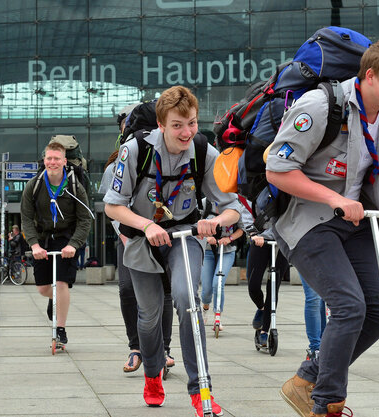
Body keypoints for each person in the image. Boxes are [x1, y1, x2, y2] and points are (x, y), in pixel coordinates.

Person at [270, 38, 379, 416]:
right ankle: (327, 404)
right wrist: (333, 198)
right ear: (370, 75)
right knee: (348, 306)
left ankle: (307, 378)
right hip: (307, 221)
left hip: (356, 220)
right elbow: (278, 169)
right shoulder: (321, 106)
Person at [104, 85, 241, 416]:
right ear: (161, 125)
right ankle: (152, 376)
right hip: (141, 241)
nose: (186, 132)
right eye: (178, 125)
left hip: (183, 236)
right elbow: (112, 207)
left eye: (191, 123)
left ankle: (200, 389)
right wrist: (147, 225)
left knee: (188, 301)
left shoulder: (203, 151)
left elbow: (233, 208)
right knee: (149, 317)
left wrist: (216, 221)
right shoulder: (136, 151)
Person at [100, 146, 175, 374]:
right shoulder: (116, 166)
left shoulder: (167, 164)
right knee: (126, 290)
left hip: (162, 237)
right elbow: (111, 207)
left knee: (165, 292)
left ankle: (164, 349)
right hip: (130, 238)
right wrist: (125, 236)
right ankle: (136, 348)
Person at [21, 141, 92, 347]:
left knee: (60, 282)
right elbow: (26, 218)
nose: (52, 162)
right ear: (44, 160)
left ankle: (60, 330)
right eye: (49, 158)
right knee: (44, 288)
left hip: (66, 239)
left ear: (64, 161)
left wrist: (74, 244)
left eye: (56, 159)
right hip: (43, 238)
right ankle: (54, 299)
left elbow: (85, 218)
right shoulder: (34, 185)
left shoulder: (74, 186)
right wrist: (34, 245)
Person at [199, 200, 242, 331]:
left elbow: (242, 229)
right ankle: (205, 307)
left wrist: (229, 239)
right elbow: (195, 226)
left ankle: (218, 316)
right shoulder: (205, 204)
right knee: (206, 289)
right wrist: (207, 237)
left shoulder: (235, 205)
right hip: (207, 251)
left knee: (218, 283)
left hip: (227, 251)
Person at [246, 227, 288, 348]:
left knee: (273, 288)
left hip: (283, 243)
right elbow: (245, 212)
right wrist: (253, 233)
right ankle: (261, 308)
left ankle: (265, 330)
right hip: (260, 239)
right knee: (253, 286)